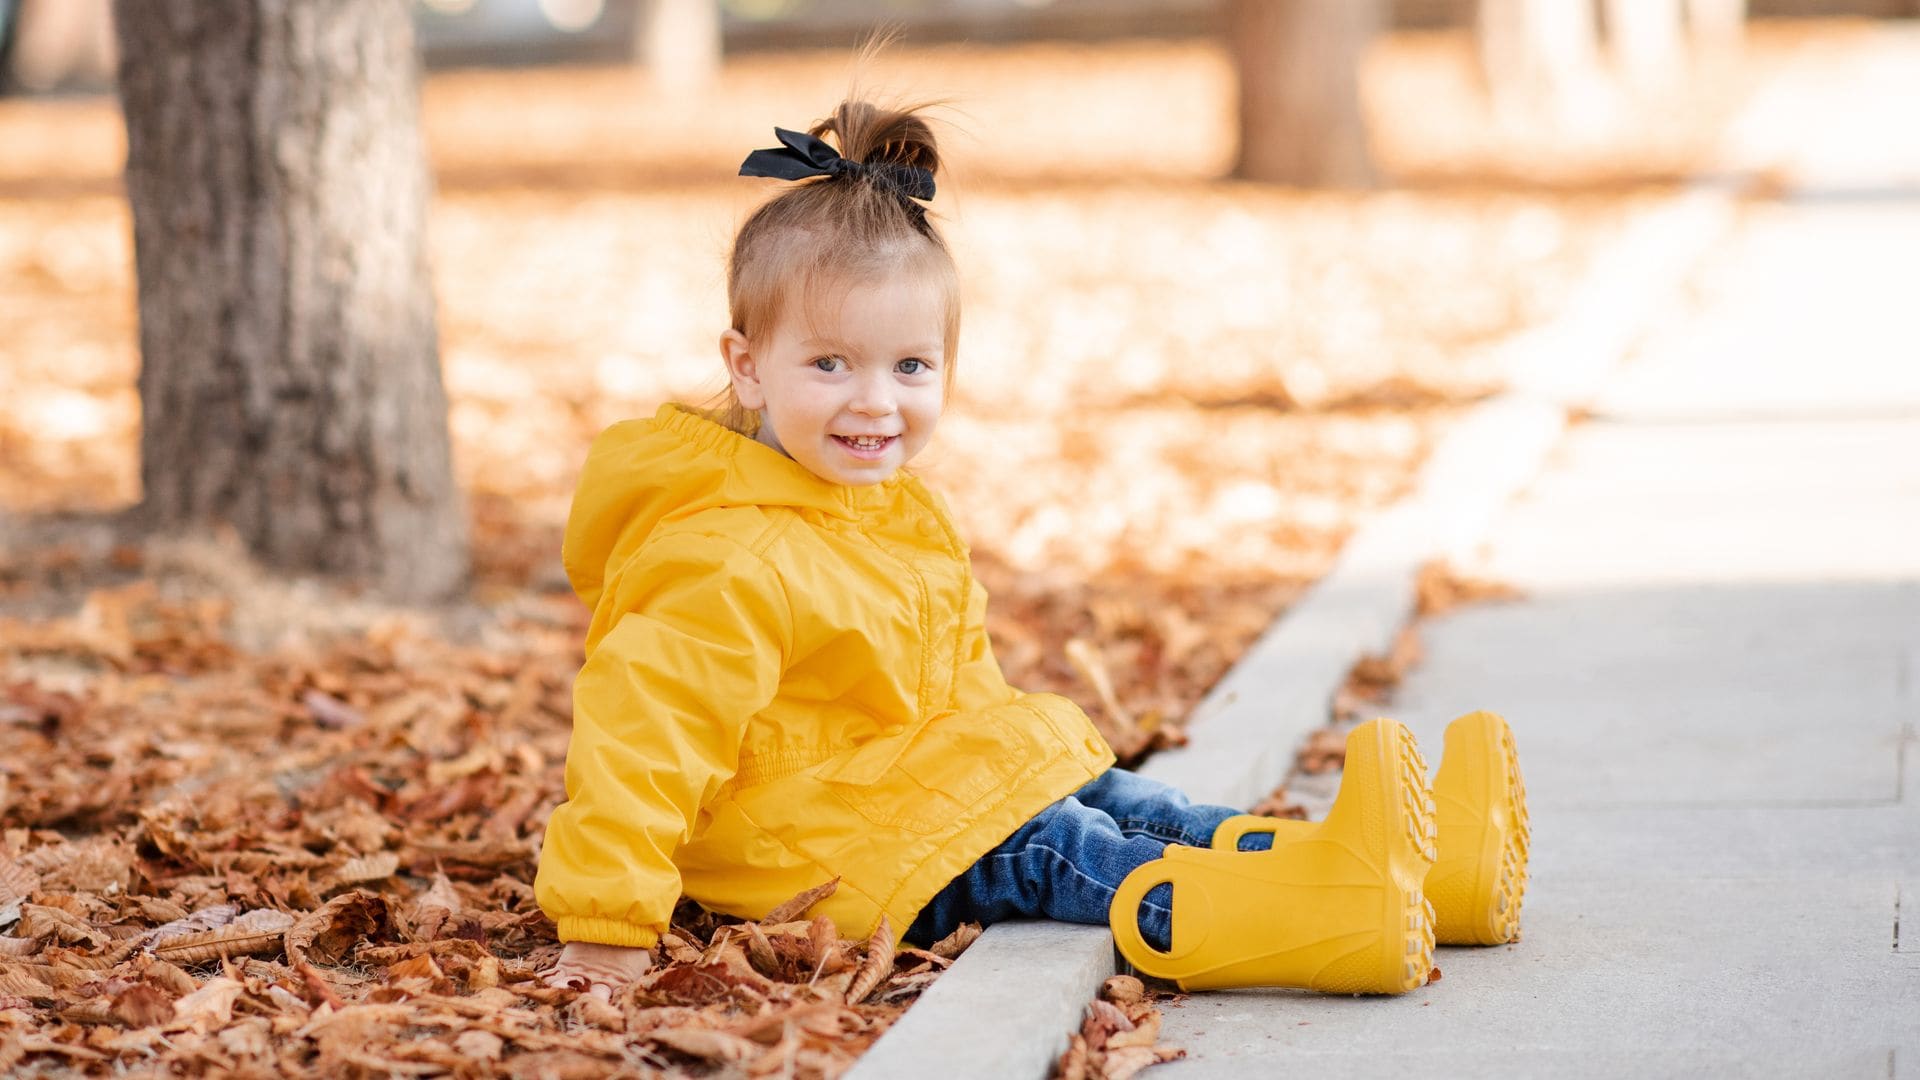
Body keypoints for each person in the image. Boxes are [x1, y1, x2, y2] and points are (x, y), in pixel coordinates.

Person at [535, 96, 1531, 1002]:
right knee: (1063, 851)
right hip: (817, 849)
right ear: (748, 367)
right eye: (830, 363)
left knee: (1116, 798)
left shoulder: (888, 511)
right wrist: (605, 928)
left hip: (900, 796)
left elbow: (950, 689)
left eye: (910, 366)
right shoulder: (723, 555)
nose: (875, 400)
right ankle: (1314, 918)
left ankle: (1414, 872)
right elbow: (642, 743)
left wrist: (1012, 765)